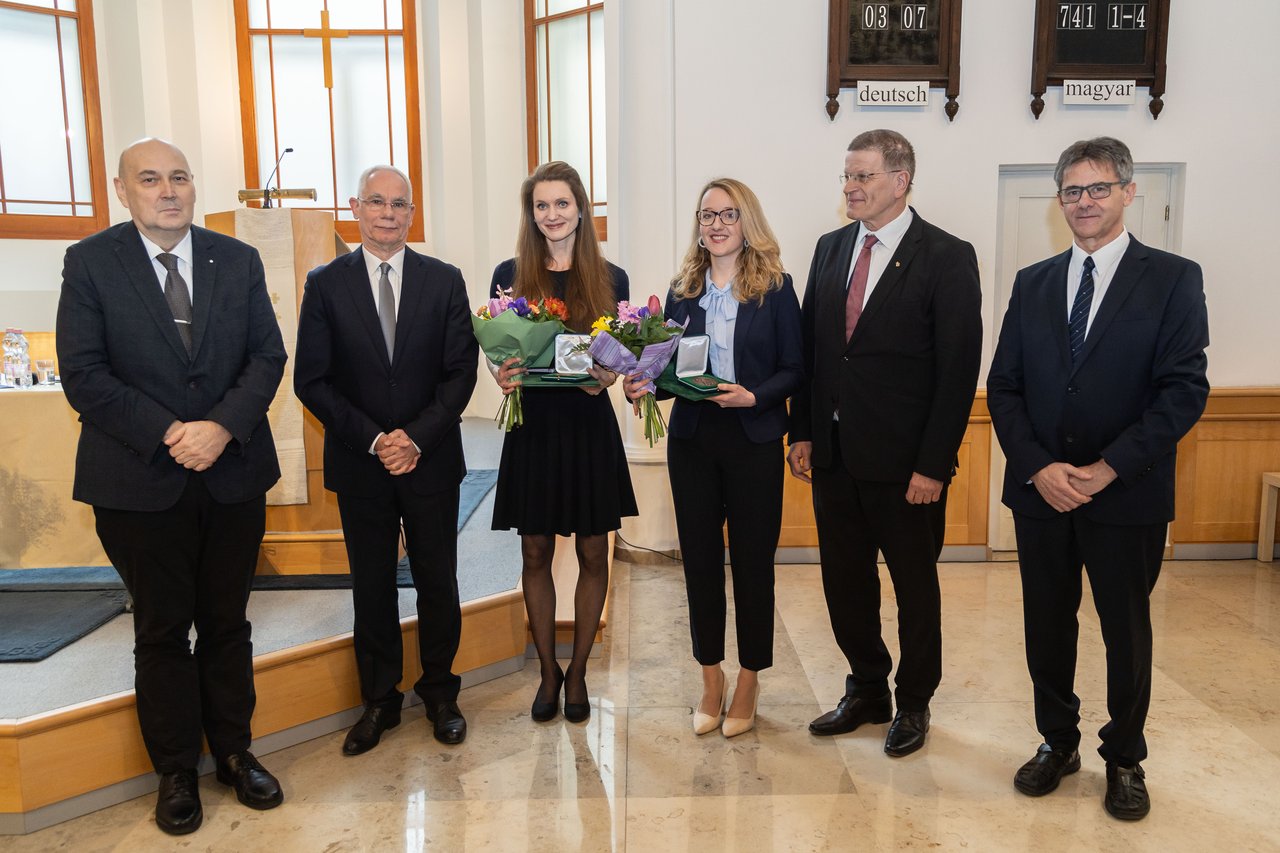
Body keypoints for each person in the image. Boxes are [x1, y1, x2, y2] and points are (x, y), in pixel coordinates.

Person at [56, 138, 287, 835]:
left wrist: (219, 427)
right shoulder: (90, 262)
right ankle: (176, 770)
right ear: (122, 190)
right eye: (150, 179)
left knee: (227, 622)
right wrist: (169, 431)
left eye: (179, 177)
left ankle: (235, 752)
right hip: (138, 480)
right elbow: (84, 373)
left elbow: (267, 354)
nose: (168, 190)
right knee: (160, 630)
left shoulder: (237, 259)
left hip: (232, 474)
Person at [988, 137, 1209, 821]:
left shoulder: (1172, 278)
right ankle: (1057, 742)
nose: (1084, 201)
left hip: (1127, 493)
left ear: (1128, 192)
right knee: (1047, 627)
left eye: (1098, 188)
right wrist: (1039, 466)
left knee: (1127, 632)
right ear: (1059, 200)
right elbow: (1005, 387)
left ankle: (1125, 757)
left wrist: (1108, 467)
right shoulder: (1032, 282)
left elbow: (1183, 390)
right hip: (1042, 495)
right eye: (1072, 191)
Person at [787, 129, 982, 757]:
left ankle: (915, 701)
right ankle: (867, 687)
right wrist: (803, 430)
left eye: (863, 176)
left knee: (914, 590)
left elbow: (957, 370)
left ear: (901, 181)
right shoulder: (830, 248)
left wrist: (933, 465)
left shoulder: (947, 256)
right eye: (847, 176)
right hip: (835, 459)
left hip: (906, 468)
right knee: (845, 585)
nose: (850, 187)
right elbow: (814, 351)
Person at [294, 165, 478, 755]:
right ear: (355, 208)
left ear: (411, 214)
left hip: (431, 459)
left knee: (437, 580)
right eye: (377, 201)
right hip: (360, 461)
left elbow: (460, 373)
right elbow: (312, 380)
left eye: (400, 204)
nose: (388, 214)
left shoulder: (444, 281)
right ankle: (379, 700)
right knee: (372, 586)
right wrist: (376, 440)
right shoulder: (325, 284)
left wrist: (414, 438)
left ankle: (441, 693)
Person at [624, 178, 802, 737]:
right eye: (707, 215)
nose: (717, 224)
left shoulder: (776, 289)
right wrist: (642, 385)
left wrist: (755, 396)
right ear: (698, 226)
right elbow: (668, 372)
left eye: (728, 214)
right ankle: (710, 677)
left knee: (752, 565)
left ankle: (749, 678)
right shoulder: (682, 292)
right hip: (694, 441)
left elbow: (796, 368)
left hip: (753, 439)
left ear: (747, 222)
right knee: (699, 562)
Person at [489, 160, 637, 723]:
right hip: (533, 426)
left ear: (580, 208)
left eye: (562, 203)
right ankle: (548, 672)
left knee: (595, 551)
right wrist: (501, 373)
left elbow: (617, 357)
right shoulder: (509, 274)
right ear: (531, 214)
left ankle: (578, 672)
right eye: (541, 205)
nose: (552, 214)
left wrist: (610, 375)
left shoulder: (611, 278)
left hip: (587, 426)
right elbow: (499, 352)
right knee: (535, 550)